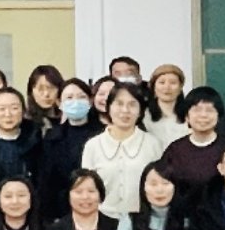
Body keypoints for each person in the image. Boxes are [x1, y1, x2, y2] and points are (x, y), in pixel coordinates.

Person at [82, 81, 165, 216]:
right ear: (109, 107)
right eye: (119, 104)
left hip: (142, 219)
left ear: (140, 111)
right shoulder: (93, 145)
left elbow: (160, 185)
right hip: (102, 219)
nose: (125, 110)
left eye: (132, 104)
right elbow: (86, 189)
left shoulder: (153, 144)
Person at [39, 77, 99, 221]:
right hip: (62, 211)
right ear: (59, 103)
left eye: (81, 97)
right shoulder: (52, 137)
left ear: (90, 101)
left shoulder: (102, 134)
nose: (75, 102)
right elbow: (47, 181)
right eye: (69, 98)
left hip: (98, 207)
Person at [164, 85, 225, 198]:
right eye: (197, 110)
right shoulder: (175, 150)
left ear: (218, 116)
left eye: (209, 110)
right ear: (187, 116)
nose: (203, 115)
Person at [47, 166, 129, 230]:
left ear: (100, 195)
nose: (85, 197)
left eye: (91, 191)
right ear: (68, 195)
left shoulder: (116, 228)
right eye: (78, 192)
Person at [128, 161, 194, 230]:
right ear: (143, 188)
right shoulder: (130, 219)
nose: (160, 190)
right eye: (153, 184)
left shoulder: (190, 219)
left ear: (176, 187)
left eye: (165, 183)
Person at [144, 64, 187, 147]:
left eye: (173, 83)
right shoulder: (143, 115)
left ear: (180, 87)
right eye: (162, 82)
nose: (167, 87)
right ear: (154, 87)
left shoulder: (190, 115)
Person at [26, 64, 65, 133]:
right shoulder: (24, 122)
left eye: (51, 88)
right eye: (40, 89)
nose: (46, 94)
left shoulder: (67, 118)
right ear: (31, 91)